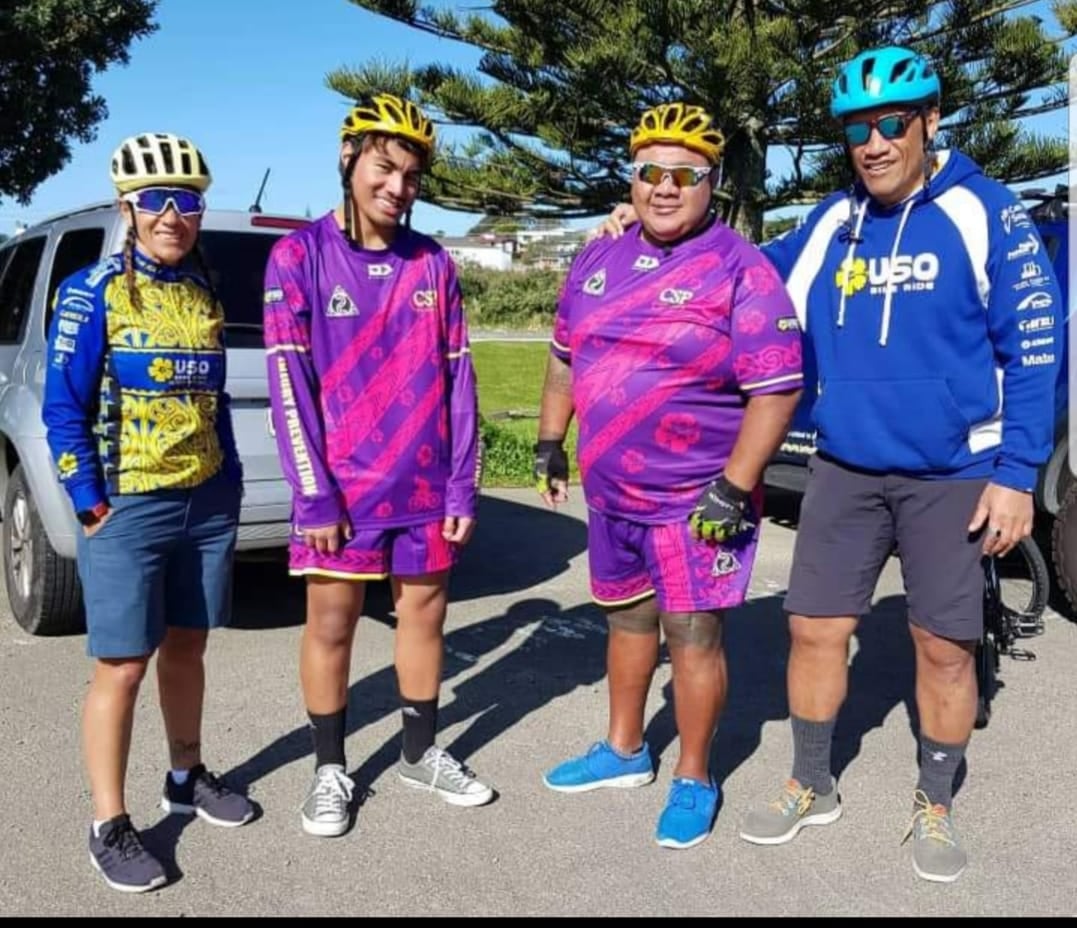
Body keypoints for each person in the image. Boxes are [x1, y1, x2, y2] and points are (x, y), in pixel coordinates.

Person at [596, 47, 1063, 881]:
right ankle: (811, 782)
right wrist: (641, 226)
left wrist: (1017, 472)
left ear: (928, 122)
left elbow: (1034, 347)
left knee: (945, 648)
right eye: (858, 129)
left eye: (891, 124)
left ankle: (934, 800)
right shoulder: (829, 222)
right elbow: (736, 270)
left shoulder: (985, 213)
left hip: (953, 471)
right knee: (812, 629)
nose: (874, 143)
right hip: (844, 468)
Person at [534, 102, 804, 850]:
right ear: (631, 177)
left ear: (710, 184)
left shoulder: (739, 267)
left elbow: (776, 386)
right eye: (648, 172)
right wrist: (549, 442)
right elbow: (563, 354)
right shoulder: (598, 253)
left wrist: (733, 482)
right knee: (623, 619)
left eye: (682, 176)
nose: (662, 188)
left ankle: (693, 775)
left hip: (696, 497)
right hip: (611, 492)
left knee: (690, 634)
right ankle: (623, 750)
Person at [263, 93, 492, 839]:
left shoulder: (433, 262)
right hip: (342, 493)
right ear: (348, 159)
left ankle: (420, 751)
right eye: (383, 168)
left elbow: (460, 378)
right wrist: (313, 494)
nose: (397, 187)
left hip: (425, 486)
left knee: (423, 616)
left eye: (412, 176)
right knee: (331, 624)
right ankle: (329, 768)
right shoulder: (297, 257)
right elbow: (288, 388)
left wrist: (463, 481)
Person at [43, 132, 254, 893]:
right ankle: (109, 821)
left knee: (189, 646)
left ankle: (185, 775)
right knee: (123, 665)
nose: (173, 215)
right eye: (157, 201)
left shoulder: (203, 292)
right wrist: (88, 501)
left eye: (187, 201)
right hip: (127, 504)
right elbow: (61, 409)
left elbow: (212, 399)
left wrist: (225, 481)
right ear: (128, 208)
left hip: (204, 502)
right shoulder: (90, 292)